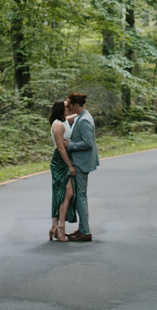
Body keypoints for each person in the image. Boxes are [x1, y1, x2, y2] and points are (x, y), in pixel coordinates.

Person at [63, 92, 99, 241]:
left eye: (70, 105)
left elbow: (87, 143)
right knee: (79, 196)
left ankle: (85, 231)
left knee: (80, 197)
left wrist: (70, 145)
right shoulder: (81, 116)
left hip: (81, 163)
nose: (69, 108)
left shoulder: (84, 120)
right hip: (80, 162)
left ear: (76, 105)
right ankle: (82, 229)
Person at [48, 100, 77, 241]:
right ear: (60, 109)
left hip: (64, 159)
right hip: (60, 160)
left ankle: (55, 227)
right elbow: (60, 147)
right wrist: (70, 166)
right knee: (68, 193)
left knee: (60, 193)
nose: (69, 108)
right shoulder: (58, 125)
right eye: (67, 106)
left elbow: (76, 114)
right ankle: (60, 228)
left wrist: (79, 107)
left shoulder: (64, 120)